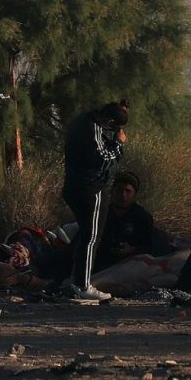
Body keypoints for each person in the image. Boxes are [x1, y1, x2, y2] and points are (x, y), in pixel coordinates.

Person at [61, 99, 129, 301]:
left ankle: (76, 281)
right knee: (91, 238)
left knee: (85, 237)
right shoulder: (91, 130)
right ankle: (83, 285)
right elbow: (102, 159)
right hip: (91, 189)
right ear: (109, 120)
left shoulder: (83, 121)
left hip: (76, 186)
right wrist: (118, 142)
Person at [95, 171, 155, 271]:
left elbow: (151, 248)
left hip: (130, 267)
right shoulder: (100, 215)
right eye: (119, 190)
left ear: (134, 195)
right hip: (101, 263)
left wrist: (132, 249)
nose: (123, 195)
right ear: (112, 192)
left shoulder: (142, 218)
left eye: (128, 191)